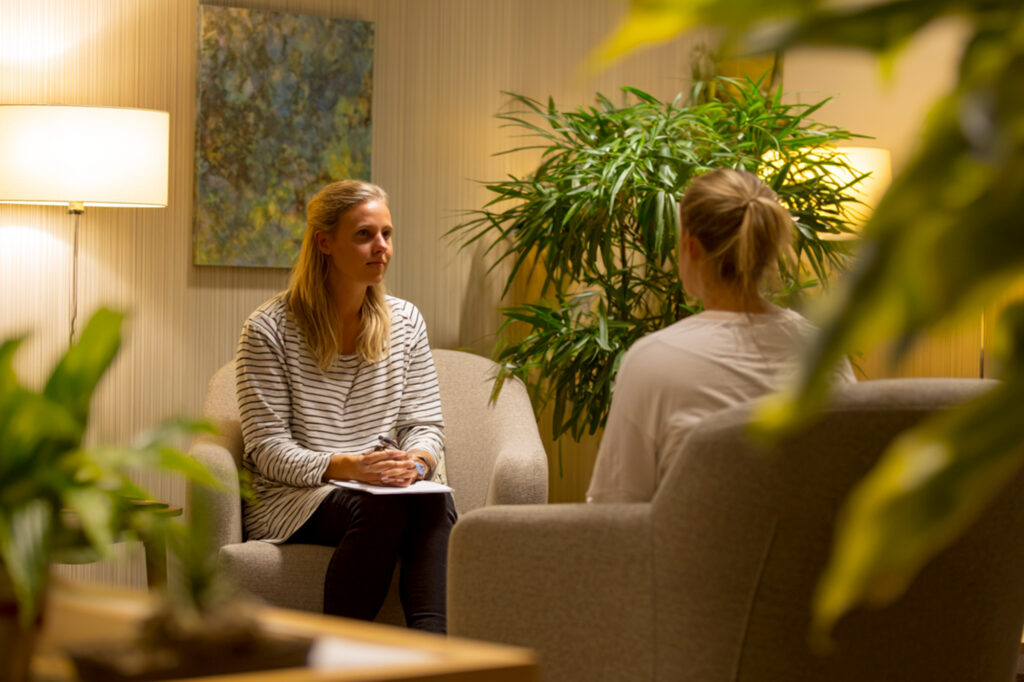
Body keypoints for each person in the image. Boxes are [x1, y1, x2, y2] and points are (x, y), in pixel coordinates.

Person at [235, 179, 455, 633]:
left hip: (383, 488)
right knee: (380, 509)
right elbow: (267, 450)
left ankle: (435, 657)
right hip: (294, 495)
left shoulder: (407, 321)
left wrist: (414, 464)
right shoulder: (267, 330)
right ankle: (338, 658)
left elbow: (425, 423)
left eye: (387, 234)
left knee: (435, 504)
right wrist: (351, 467)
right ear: (325, 243)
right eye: (364, 235)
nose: (382, 247)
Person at [586, 168, 856, 504]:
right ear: (768, 249)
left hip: (692, 557)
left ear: (691, 247)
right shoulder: (822, 352)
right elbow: (850, 484)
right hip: (809, 557)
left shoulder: (652, 362)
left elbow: (616, 512)